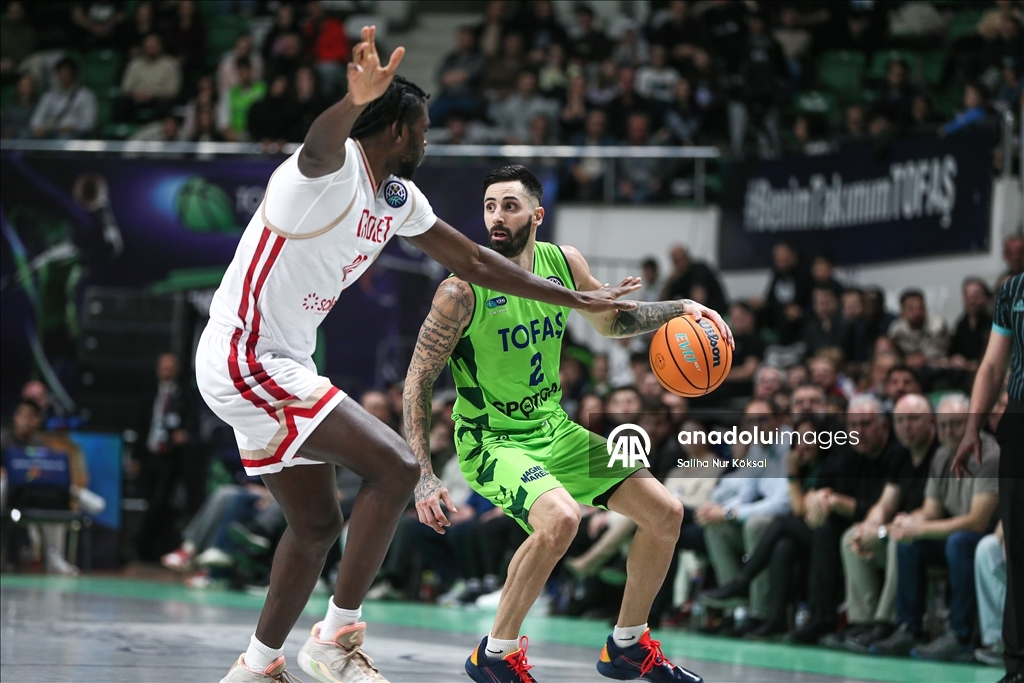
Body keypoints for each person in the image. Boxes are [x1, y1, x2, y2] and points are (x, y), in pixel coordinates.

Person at [197, 27, 638, 683]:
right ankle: (336, 635)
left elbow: (473, 260)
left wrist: (569, 296)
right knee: (399, 466)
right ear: (398, 131)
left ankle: (257, 665)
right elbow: (318, 145)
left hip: (280, 364)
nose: (429, 141)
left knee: (318, 525)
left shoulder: (396, 197)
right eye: (424, 129)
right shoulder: (324, 172)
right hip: (246, 356)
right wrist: (353, 101)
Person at [403, 163, 732, 683]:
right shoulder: (460, 291)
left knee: (666, 512)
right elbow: (417, 380)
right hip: (491, 439)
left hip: (553, 428)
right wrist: (424, 473)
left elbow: (613, 320)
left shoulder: (564, 263)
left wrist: (682, 308)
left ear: (537, 214)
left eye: (509, 206)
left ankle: (627, 645)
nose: (496, 217)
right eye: (489, 206)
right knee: (560, 520)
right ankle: (495, 654)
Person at [953, 274, 1024, 683]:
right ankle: (1017, 668)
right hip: (1020, 423)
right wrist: (971, 429)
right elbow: (994, 365)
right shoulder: (1013, 291)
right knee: (1018, 550)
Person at [30, 58, 97, 139]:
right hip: (50, 132)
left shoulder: (86, 95)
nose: (63, 77)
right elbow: (37, 118)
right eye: (61, 73)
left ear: (74, 75)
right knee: (26, 136)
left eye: (66, 73)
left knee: (63, 138)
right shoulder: (49, 95)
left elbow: (88, 123)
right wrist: (38, 127)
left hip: (73, 133)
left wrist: (71, 127)